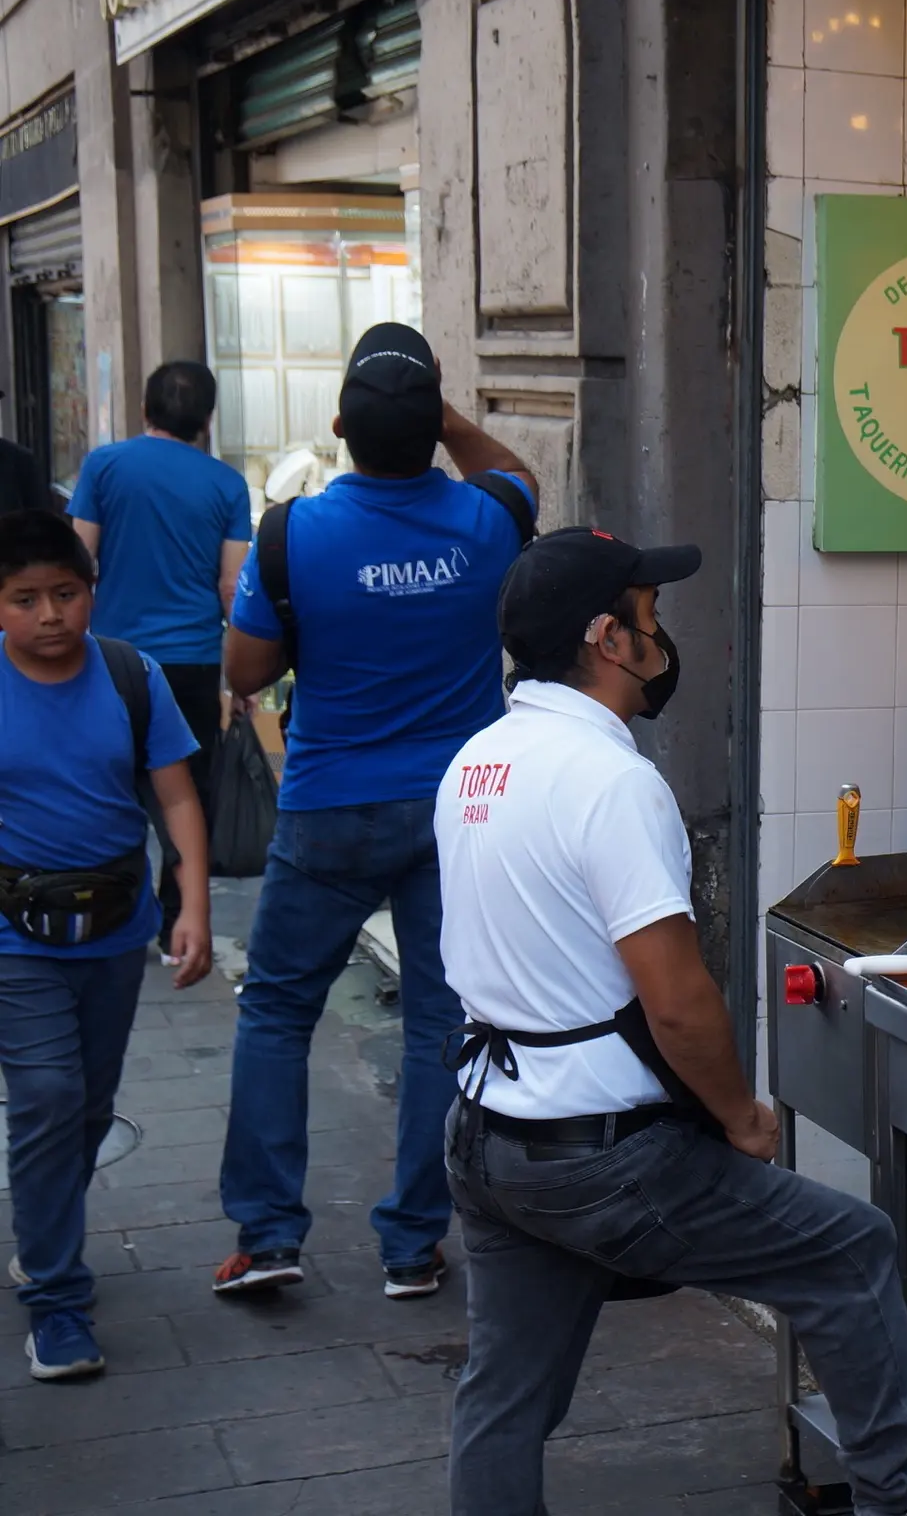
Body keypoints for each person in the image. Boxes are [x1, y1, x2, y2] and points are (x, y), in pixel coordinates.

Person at [435, 528, 907, 1516]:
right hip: (601, 1159)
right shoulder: (612, 783)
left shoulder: (478, 765)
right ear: (607, 638)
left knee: (505, 1396)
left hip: (490, 1140)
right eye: (650, 617)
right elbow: (677, 997)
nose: (664, 637)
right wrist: (741, 1113)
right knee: (846, 1250)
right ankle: (904, 1498)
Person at [214, 322, 536, 1301]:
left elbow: (246, 671)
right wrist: (445, 418)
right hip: (457, 810)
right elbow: (515, 468)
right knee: (441, 1021)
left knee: (276, 1009)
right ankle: (410, 1244)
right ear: (432, 422)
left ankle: (268, 1233)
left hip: (329, 809)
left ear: (341, 426)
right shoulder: (488, 522)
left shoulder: (292, 535)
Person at [0, 510, 212, 1381]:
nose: (48, 614)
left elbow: (178, 801)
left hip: (116, 932)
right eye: (24, 599)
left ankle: (41, 1226)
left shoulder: (132, 676)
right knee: (48, 1096)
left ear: (91, 594)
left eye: (64, 593)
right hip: (15, 938)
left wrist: (190, 904)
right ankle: (57, 1301)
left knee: (86, 1108)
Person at [66, 362, 253, 937]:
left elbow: (78, 558)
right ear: (207, 419)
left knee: (103, 783)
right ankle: (177, 917)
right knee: (185, 791)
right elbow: (232, 586)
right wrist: (238, 680)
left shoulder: (103, 466)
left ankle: (105, 905)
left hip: (111, 657)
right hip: (192, 659)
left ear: (145, 410)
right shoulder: (226, 484)